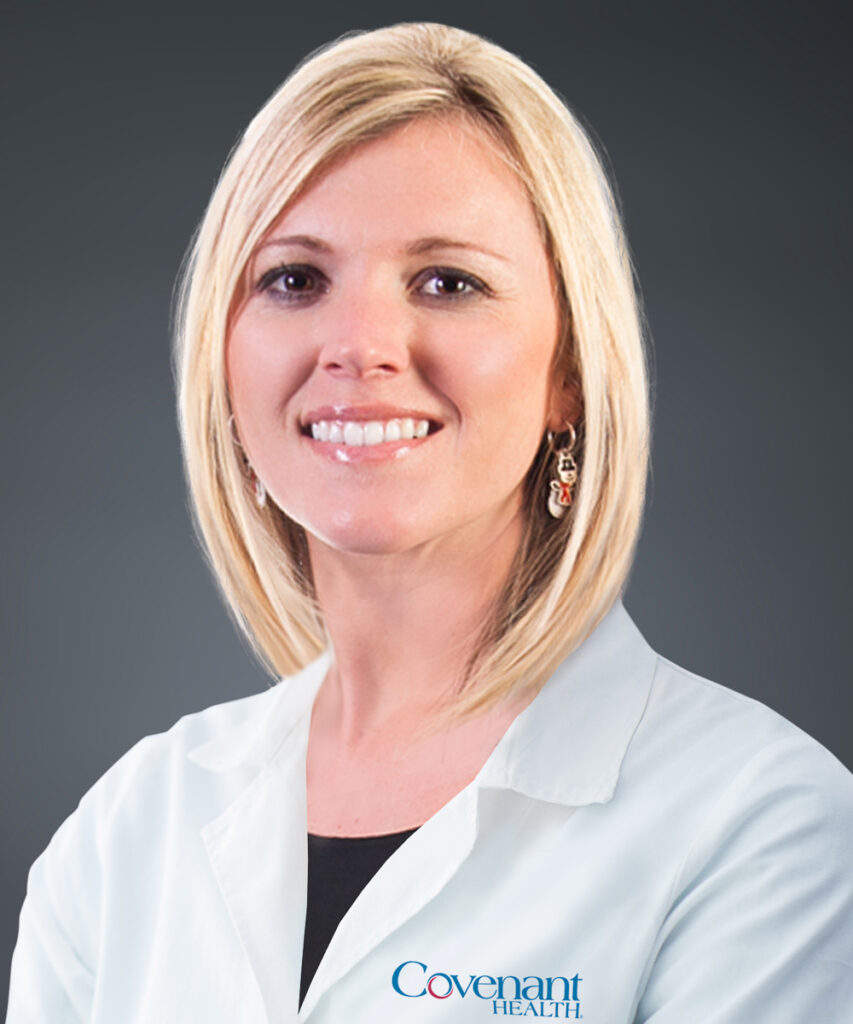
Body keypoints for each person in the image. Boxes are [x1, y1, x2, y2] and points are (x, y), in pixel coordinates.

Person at [7, 21, 853, 1023]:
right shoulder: (126, 835)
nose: (358, 345)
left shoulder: (763, 826)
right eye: (294, 279)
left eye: (447, 281)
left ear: (568, 376)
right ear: (224, 366)